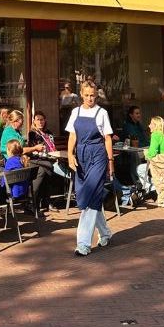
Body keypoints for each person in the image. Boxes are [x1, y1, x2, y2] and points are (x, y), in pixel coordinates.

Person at [66, 81, 114, 255]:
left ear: (96, 95)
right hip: (81, 157)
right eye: (86, 95)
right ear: (81, 94)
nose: (89, 98)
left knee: (88, 197)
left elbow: (107, 138)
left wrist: (110, 162)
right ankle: (106, 233)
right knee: (90, 197)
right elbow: (72, 135)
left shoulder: (102, 113)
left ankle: (83, 244)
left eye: (92, 95)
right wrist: (70, 154)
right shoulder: (75, 112)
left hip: (98, 155)